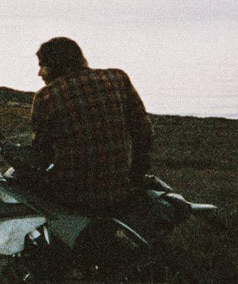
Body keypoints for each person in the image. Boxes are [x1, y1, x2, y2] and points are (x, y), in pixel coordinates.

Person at [26, 36, 153, 212]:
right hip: (120, 192)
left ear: (57, 65)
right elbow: (144, 132)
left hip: (72, 198)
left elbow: (40, 154)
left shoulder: (46, 97)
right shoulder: (118, 78)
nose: (39, 73)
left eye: (42, 65)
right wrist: (136, 176)